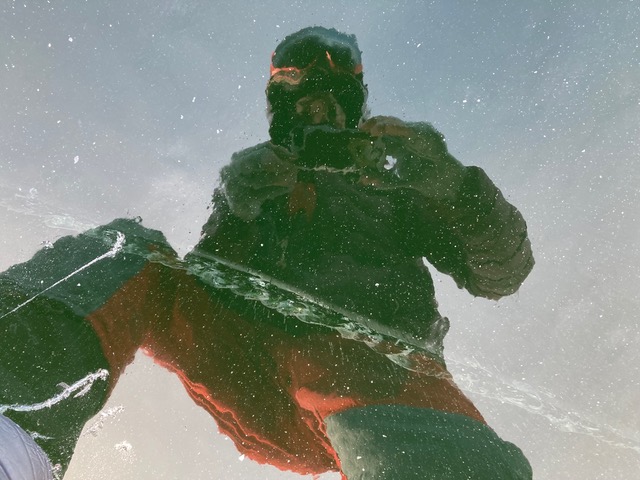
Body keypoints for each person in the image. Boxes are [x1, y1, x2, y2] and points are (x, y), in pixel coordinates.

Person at [0, 27, 534, 479]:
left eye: (331, 101)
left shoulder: (396, 187)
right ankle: (13, 415)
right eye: (303, 103)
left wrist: (453, 184)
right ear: (281, 112)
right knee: (126, 247)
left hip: (374, 382)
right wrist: (237, 208)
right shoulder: (263, 175)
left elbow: (503, 274)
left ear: (353, 112)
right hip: (249, 365)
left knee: (355, 371)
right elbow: (207, 276)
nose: (317, 113)